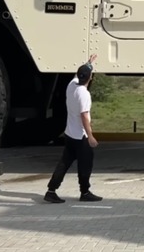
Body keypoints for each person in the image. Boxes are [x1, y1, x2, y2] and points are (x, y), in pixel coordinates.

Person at [44, 54, 103, 203]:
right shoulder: (84, 94)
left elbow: (78, 74)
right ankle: (85, 192)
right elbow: (84, 116)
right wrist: (90, 136)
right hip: (80, 136)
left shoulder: (71, 86)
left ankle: (51, 191)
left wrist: (89, 63)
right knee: (85, 165)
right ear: (90, 78)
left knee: (64, 163)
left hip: (69, 134)